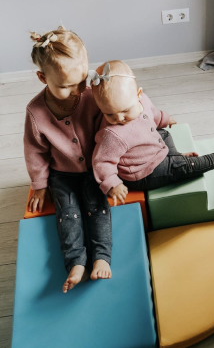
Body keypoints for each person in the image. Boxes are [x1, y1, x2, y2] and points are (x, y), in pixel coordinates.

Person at [24, 26, 112, 293]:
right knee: (68, 214)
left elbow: (113, 124)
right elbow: (34, 150)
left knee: (98, 209)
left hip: (96, 168)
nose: (77, 90)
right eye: (66, 86)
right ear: (42, 78)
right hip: (62, 173)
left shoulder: (92, 96)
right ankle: (75, 263)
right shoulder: (36, 112)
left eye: (82, 81)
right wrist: (39, 184)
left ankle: (101, 257)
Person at [91, 60, 214, 205]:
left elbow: (152, 114)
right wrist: (112, 184)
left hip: (149, 147)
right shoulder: (111, 135)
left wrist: (164, 118)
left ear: (138, 95)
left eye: (125, 110)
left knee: (164, 133)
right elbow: (102, 161)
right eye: (109, 114)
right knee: (182, 167)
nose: (119, 118)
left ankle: (173, 156)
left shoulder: (143, 100)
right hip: (143, 172)